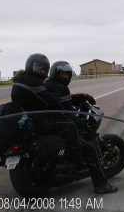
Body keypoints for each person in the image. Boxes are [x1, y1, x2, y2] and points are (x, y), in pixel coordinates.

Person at [45, 60, 118, 194]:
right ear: (55, 73)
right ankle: (101, 185)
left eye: (67, 74)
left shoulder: (48, 85)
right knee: (91, 148)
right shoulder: (60, 87)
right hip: (62, 127)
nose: (65, 77)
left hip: (50, 124)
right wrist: (81, 121)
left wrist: (81, 96)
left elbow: (62, 101)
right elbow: (68, 111)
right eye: (62, 74)